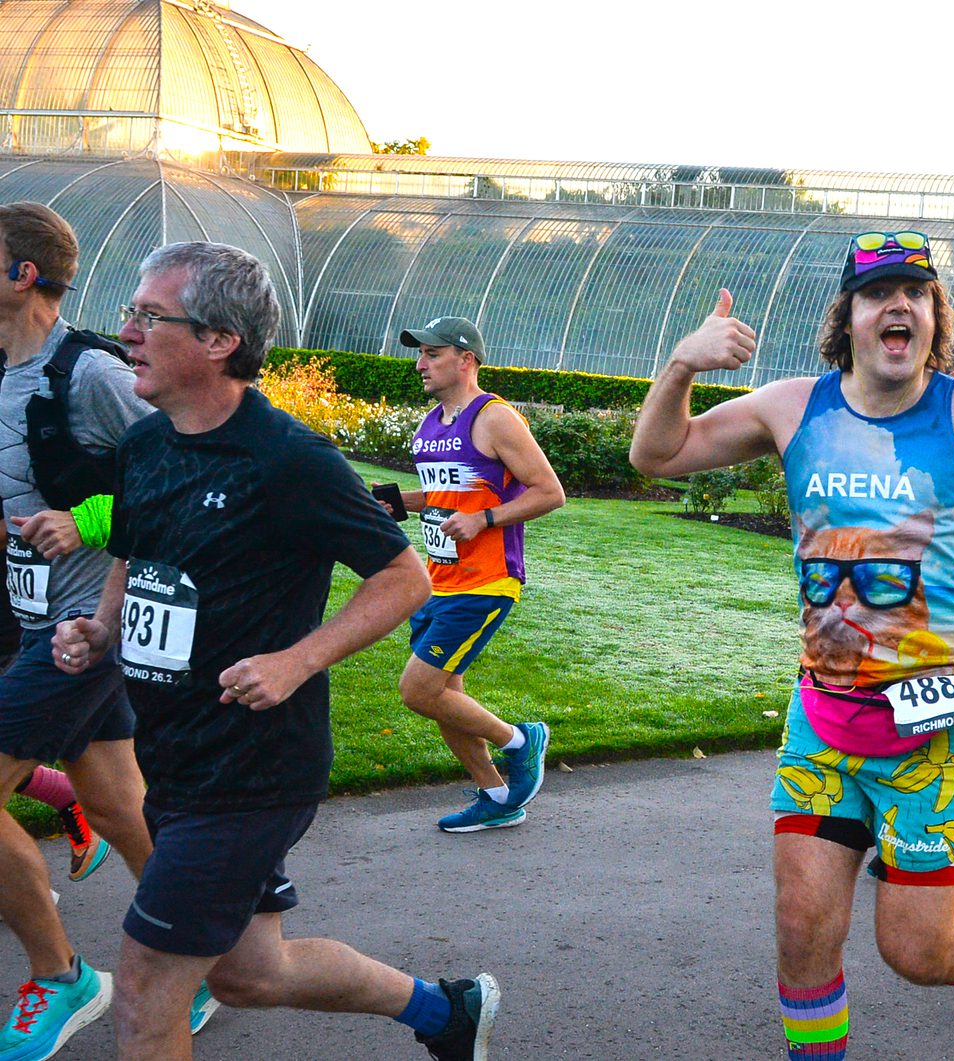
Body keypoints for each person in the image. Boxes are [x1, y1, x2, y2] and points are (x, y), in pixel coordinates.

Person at [629, 230, 954, 1061]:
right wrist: (681, 366)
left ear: (936, 316)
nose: (898, 304)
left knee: (917, 949)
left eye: (917, 292)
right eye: (877, 292)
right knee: (801, 931)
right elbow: (656, 454)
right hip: (825, 721)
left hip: (936, 737)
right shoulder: (793, 406)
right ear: (850, 317)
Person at [53, 241, 497, 1060]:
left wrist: (298, 658)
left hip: (252, 771)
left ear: (220, 339)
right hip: (176, 758)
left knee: (146, 995)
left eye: (150, 317)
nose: (127, 333)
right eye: (130, 313)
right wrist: (102, 625)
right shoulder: (149, 443)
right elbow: (132, 544)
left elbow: (403, 579)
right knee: (251, 974)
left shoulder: (289, 460)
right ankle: (447, 1013)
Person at [0, 202, 161, 1061]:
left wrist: (89, 515)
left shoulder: (90, 371)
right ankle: (201, 952)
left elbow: (186, 467)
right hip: (32, 623)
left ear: (22, 273)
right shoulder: (2, 369)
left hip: (87, 624)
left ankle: (61, 977)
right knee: (112, 800)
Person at [389, 315, 564, 832]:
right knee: (447, 696)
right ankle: (496, 796)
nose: (420, 364)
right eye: (419, 355)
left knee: (419, 691)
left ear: (466, 360)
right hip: (436, 581)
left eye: (432, 354)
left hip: (486, 583)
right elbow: (445, 495)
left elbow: (549, 492)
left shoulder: (494, 418)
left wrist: (484, 519)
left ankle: (520, 741)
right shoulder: (431, 424)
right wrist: (390, 501)